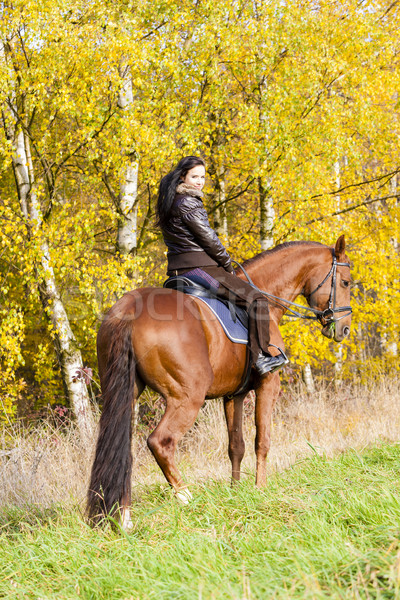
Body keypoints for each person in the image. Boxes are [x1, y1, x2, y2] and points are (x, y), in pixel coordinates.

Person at [156, 155, 287, 376]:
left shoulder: (171, 201)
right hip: (200, 269)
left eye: (202, 177)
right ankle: (263, 358)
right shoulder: (189, 202)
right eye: (194, 176)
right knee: (257, 300)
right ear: (182, 177)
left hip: (176, 270)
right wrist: (226, 263)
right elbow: (208, 239)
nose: (199, 181)